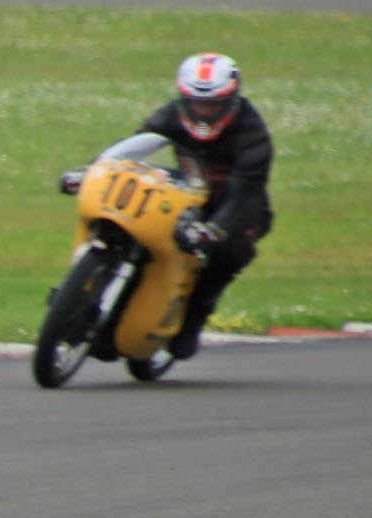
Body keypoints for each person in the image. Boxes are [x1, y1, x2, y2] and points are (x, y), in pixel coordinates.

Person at [62, 53, 273, 360]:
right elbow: (131, 150)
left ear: (231, 100)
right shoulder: (171, 116)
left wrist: (215, 230)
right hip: (187, 192)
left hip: (234, 205)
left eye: (213, 105)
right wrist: (89, 172)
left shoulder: (253, 136)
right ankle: (88, 292)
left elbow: (245, 196)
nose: (203, 112)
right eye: (196, 104)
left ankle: (194, 318)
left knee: (229, 251)